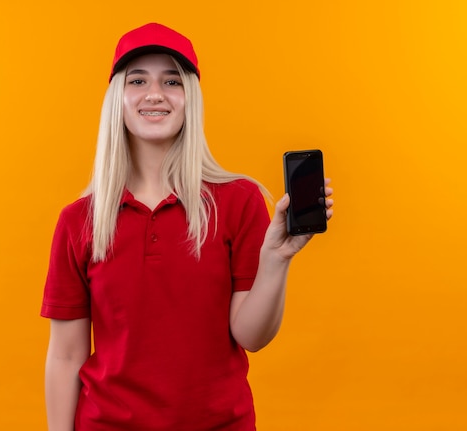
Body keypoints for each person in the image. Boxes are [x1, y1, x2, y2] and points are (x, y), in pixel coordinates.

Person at [41, 22, 334, 431]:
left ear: (190, 99)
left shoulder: (239, 200)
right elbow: (66, 356)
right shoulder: (79, 221)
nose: (155, 94)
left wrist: (275, 260)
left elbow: (251, 336)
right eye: (138, 79)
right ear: (117, 99)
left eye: (172, 81)